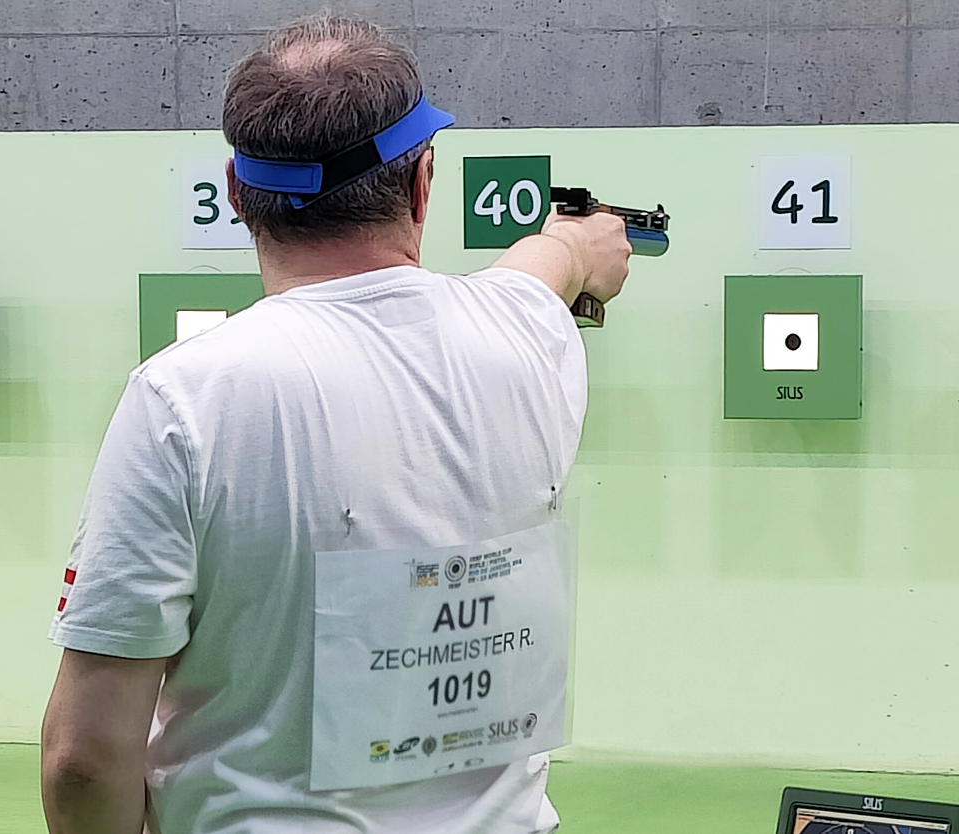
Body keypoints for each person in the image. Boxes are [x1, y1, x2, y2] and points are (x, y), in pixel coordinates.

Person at [39, 14, 631, 834]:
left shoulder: (188, 394)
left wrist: (566, 244)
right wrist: (580, 240)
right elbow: (547, 267)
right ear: (424, 182)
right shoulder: (527, 336)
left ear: (237, 192)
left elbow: (84, 758)